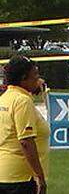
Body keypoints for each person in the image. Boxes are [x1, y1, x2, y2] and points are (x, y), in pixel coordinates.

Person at [0, 56, 49, 194]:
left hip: (4, 173)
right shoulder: (22, 101)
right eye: (35, 74)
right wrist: (39, 176)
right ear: (23, 78)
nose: (38, 79)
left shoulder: (5, 98)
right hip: (21, 178)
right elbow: (26, 141)